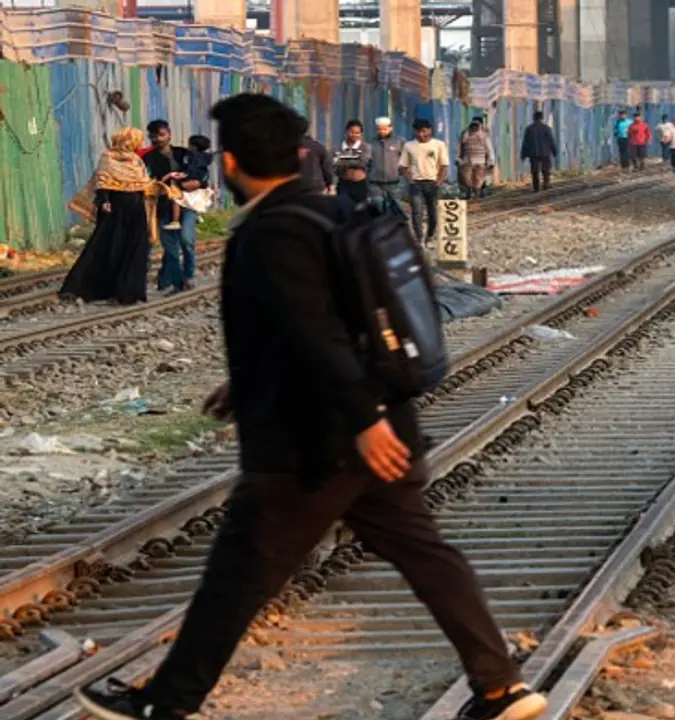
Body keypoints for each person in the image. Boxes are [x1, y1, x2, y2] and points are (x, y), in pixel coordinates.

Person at [73, 93, 548, 720]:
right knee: (428, 557)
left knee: (239, 571)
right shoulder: (317, 218)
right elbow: (303, 328)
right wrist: (248, 388)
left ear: (235, 163)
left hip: (316, 445)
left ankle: (168, 701)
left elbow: (316, 332)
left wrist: (364, 422)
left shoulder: (276, 233)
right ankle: (501, 686)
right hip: (365, 428)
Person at [59, 127, 157, 306]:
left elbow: (144, 184)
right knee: (108, 247)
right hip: (114, 211)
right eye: (135, 140)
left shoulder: (136, 161)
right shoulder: (108, 158)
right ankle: (83, 288)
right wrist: (104, 200)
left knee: (134, 249)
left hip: (136, 211)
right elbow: (102, 181)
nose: (137, 144)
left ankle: (129, 292)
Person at [142, 119, 203, 295]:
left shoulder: (183, 154)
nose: (158, 139)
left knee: (186, 239)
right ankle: (177, 284)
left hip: (186, 204)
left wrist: (198, 182)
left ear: (169, 134)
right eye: (153, 136)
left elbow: (201, 174)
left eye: (161, 135)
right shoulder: (148, 159)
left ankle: (189, 274)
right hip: (162, 207)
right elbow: (145, 182)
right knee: (170, 248)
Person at [401, 118, 450, 246]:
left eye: (424, 131)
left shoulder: (439, 145)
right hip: (416, 184)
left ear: (430, 130)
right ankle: (419, 238)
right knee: (417, 212)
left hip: (433, 183)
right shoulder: (409, 146)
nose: (421, 134)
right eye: (418, 131)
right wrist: (410, 180)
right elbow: (403, 166)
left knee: (433, 213)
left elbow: (444, 166)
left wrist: (439, 182)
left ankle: (430, 236)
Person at [334, 119, 373, 210]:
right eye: (352, 132)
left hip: (360, 184)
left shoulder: (366, 147)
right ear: (347, 131)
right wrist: (353, 159)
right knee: (343, 209)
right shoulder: (338, 147)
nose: (355, 135)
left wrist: (343, 160)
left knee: (360, 210)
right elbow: (334, 163)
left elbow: (363, 162)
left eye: (357, 133)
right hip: (344, 184)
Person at [369, 116, 405, 211]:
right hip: (375, 182)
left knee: (395, 207)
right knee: (377, 206)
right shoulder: (371, 143)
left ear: (390, 128)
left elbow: (405, 159)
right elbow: (368, 161)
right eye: (380, 129)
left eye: (385, 129)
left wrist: (400, 172)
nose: (382, 131)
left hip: (394, 182)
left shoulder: (399, 141)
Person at [519, 111, 557, 192]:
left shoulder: (529, 129)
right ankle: (546, 184)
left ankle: (536, 187)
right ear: (542, 118)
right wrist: (554, 151)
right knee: (546, 169)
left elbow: (526, 143)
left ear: (534, 118)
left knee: (535, 170)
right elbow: (551, 141)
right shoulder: (546, 128)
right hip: (545, 152)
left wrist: (523, 154)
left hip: (533, 153)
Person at [458, 117, 494, 200]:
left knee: (479, 179)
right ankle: (469, 193)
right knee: (467, 179)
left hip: (480, 161)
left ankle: (478, 194)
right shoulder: (466, 134)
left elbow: (489, 149)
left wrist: (490, 161)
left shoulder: (484, 134)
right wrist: (459, 158)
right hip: (468, 160)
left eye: (476, 125)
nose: (474, 128)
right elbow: (461, 146)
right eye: (473, 125)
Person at [298, 120, 334, 194]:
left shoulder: (290, 147)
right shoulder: (318, 146)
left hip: (297, 186)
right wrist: (329, 184)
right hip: (316, 186)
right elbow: (327, 169)